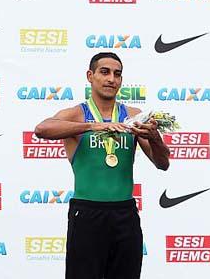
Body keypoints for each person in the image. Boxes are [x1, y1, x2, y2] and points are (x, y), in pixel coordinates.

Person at [34, 52, 170, 279]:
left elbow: (162, 163)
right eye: (104, 72)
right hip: (87, 214)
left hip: (125, 214)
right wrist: (91, 126)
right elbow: (42, 129)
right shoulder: (77, 114)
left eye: (117, 74)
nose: (111, 79)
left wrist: (155, 137)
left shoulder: (133, 116)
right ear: (90, 76)